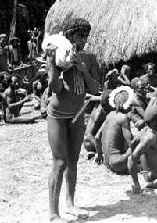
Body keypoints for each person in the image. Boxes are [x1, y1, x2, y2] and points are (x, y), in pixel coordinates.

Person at [45, 18, 100, 222]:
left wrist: (83, 69)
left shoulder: (90, 59)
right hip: (58, 115)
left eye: (86, 36)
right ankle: (53, 213)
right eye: (79, 36)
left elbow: (95, 89)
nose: (83, 40)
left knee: (73, 161)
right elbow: (56, 88)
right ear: (69, 36)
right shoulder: (59, 55)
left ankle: (70, 203)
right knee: (59, 162)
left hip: (77, 114)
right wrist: (53, 63)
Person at [94, 88, 142, 174]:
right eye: (131, 105)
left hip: (107, 162)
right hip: (118, 163)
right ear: (127, 105)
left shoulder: (109, 115)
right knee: (143, 143)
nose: (131, 107)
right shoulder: (123, 118)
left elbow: (97, 137)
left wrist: (100, 155)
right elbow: (131, 143)